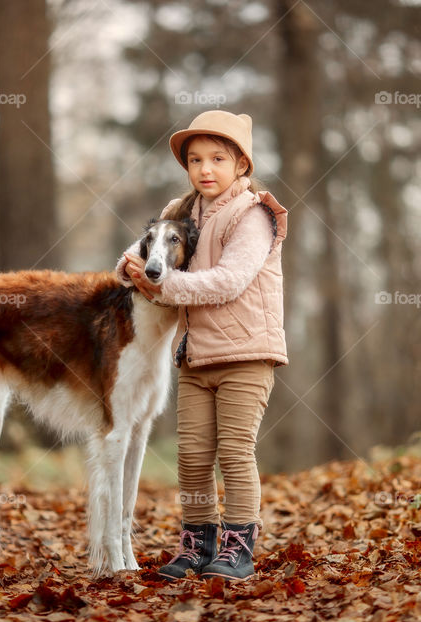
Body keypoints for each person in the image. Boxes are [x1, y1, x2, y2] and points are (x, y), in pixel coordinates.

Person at [114, 110, 289, 581]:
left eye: (217, 158)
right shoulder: (180, 210)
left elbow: (229, 281)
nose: (205, 169)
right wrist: (129, 269)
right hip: (195, 356)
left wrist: (164, 287)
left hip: (248, 355)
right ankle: (197, 542)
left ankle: (237, 548)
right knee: (191, 457)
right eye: (195, 160)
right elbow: (136, 252)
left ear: (242, 165)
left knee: (234, 451)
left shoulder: (253, 215)